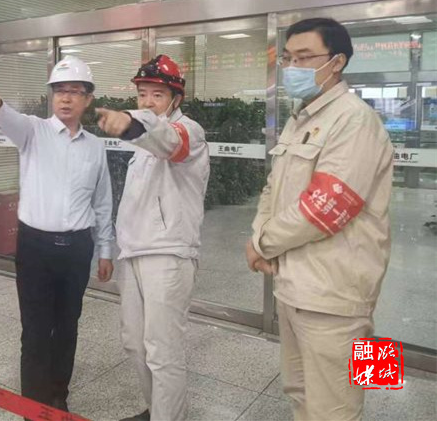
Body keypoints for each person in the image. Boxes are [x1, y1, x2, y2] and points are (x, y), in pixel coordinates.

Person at [245, 18, 393, 421]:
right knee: (299, 393)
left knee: (336, 408)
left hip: (337, 296)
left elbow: (325, 207)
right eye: (288, 59)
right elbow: (273, 188)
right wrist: (259, 234)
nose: (293, 68)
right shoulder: (302, 118)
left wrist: (261, 243)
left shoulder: (355, 119)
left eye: (305, 57)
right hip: (294, 286)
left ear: (337, 62)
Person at [0, 55, 114, 412]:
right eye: (59, 90)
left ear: (88, 99)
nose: (65, 98)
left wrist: (105, 249)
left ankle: (58, 396)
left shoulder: (95, 147)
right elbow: (10, 119)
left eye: (74, 91)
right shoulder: (33, 132)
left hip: (77, 249)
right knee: (35, 330)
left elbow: (102, 201)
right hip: (35, 247)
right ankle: (34, 407)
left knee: (67, 326)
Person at [96, 54, 209, 421]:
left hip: (168, 254)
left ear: (176, 98)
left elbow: (167, 141)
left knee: (163, 350)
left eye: (157, 95)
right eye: (142, 94)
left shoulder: (188, 131)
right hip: (133, 252)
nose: (147, 102)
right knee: (135, 344)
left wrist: (131, 122)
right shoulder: (141, 142)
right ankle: (157, 410)